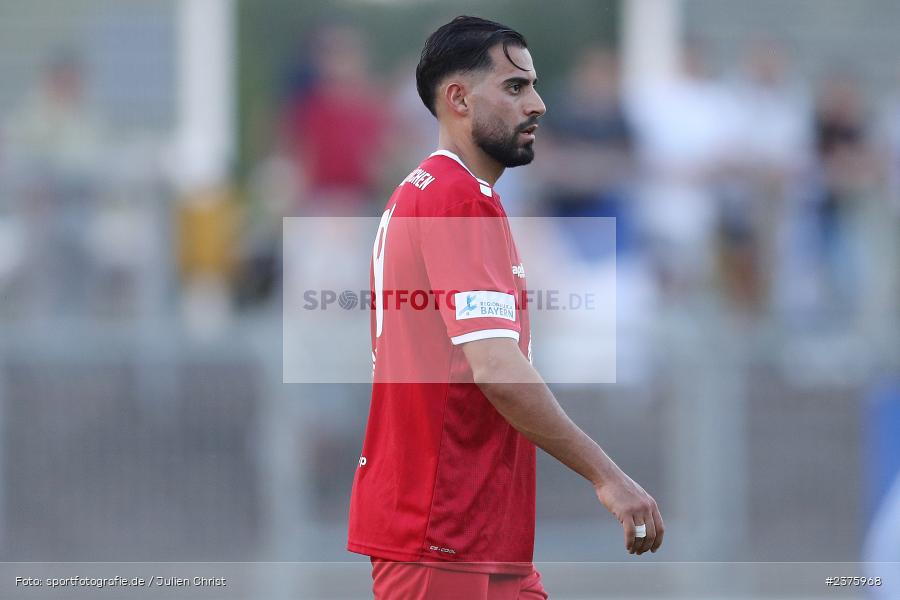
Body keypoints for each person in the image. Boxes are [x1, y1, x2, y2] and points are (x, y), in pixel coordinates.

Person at [347, 16, 664, 599]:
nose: (538, 104)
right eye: (515, 87)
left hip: (479, 536)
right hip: (442, 537)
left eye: (534, 86)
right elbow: (496, 369)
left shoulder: (449, 194)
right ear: (459, 98)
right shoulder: (455, 198)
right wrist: (608, 478)